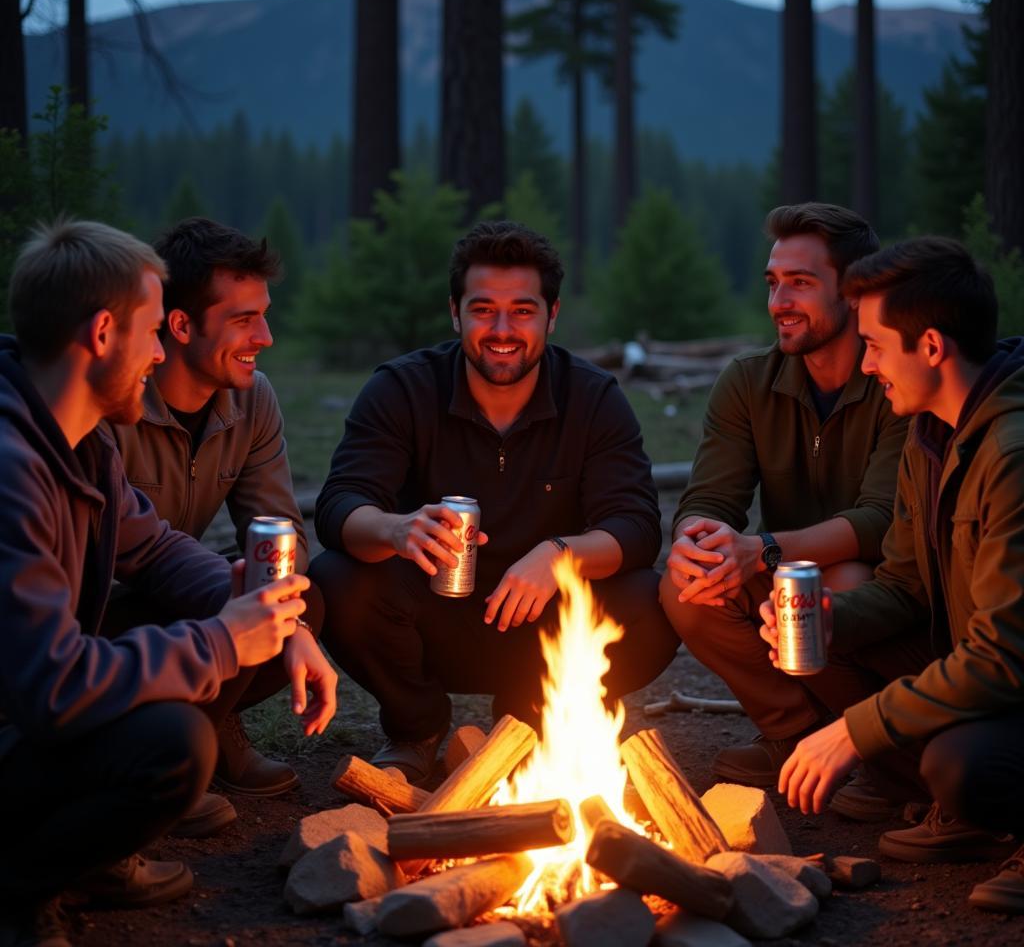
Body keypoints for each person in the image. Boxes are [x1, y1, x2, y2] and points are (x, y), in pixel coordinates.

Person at [0, 220, 332, 947]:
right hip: (17, 724)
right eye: (153, 332)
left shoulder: (74, 441)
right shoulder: (13, 470)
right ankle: (17, 892)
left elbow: (152, 549)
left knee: (243, 633)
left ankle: (85, 855)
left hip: (31, 718)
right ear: (101, 334)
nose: (159, 353)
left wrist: (271, 617)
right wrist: (219, 640)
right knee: (173, 747)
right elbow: (53, 685)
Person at [310, 220, 680, 782]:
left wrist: (561, 555)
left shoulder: (592, 398)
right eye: (483, 309)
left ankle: (531, 720)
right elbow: (341, 505)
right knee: (337, 579)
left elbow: (635, 526)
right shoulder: (403, 388)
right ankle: (417, 726)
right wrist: (394, 529)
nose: (502, 329)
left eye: (523, 311)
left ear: (552, 316)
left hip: (544, 622)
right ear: (455, 312)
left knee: (652, 603)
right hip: (430, 617)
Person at [764, 236, 1024, 914]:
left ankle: (977, 803)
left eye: (876, 344)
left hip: (1009, 675)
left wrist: (854, 729)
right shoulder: (932, 434)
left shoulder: (1012, 454)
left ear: (932, 347)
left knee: (959, 765)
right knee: (816, 644)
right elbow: (906, 584)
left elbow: (1003, 660)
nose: (867, 362)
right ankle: (964, 812)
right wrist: (828, 621)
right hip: (988, 672)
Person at [660, 203, 911, 790]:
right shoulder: (749, 381)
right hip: (781, 572)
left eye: (800, 283)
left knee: (841, 580)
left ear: (854, 293)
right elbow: (710, 497)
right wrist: (697, 538)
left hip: (888, 591)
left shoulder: (895, 383)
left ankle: (875, 751)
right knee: (685, 587)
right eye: (773, 283)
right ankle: (795, 734)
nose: (779, 303)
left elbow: (879, 520)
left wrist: (764, 550)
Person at [108, 217, 331, 814]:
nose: (265, 336)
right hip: (106, 613)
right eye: (242, 319)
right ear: (179, 325)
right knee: (218, 600)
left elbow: (281, 528)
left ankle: (208, 731)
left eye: (263, 314)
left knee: (297, 596)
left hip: (179, 584)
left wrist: (291, 620)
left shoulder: (252, 398)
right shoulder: (116, 399)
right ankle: (148, 767)